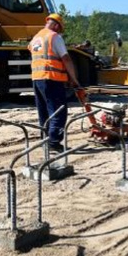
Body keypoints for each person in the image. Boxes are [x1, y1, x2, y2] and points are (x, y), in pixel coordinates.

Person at [28, 13, 81, 153]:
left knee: (44, 112)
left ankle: (45, 141)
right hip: (52, 78)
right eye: (60, 28)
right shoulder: (54, 37)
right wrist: (74, 79)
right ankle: (54, 143)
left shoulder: (36, 38)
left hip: (37, 78)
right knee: (58, 112)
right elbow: (66, 59)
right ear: (56, 25)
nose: (59, 31)